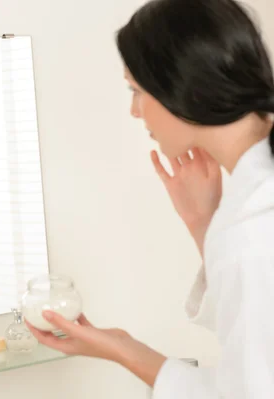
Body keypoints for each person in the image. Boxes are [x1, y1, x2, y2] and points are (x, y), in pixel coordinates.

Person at [27, 0, 274, 397]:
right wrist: (204, 223)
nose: (134, 111)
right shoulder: (251, 215)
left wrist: (125, 351)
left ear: (181, 85)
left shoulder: (254, 231)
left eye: (136, 90)